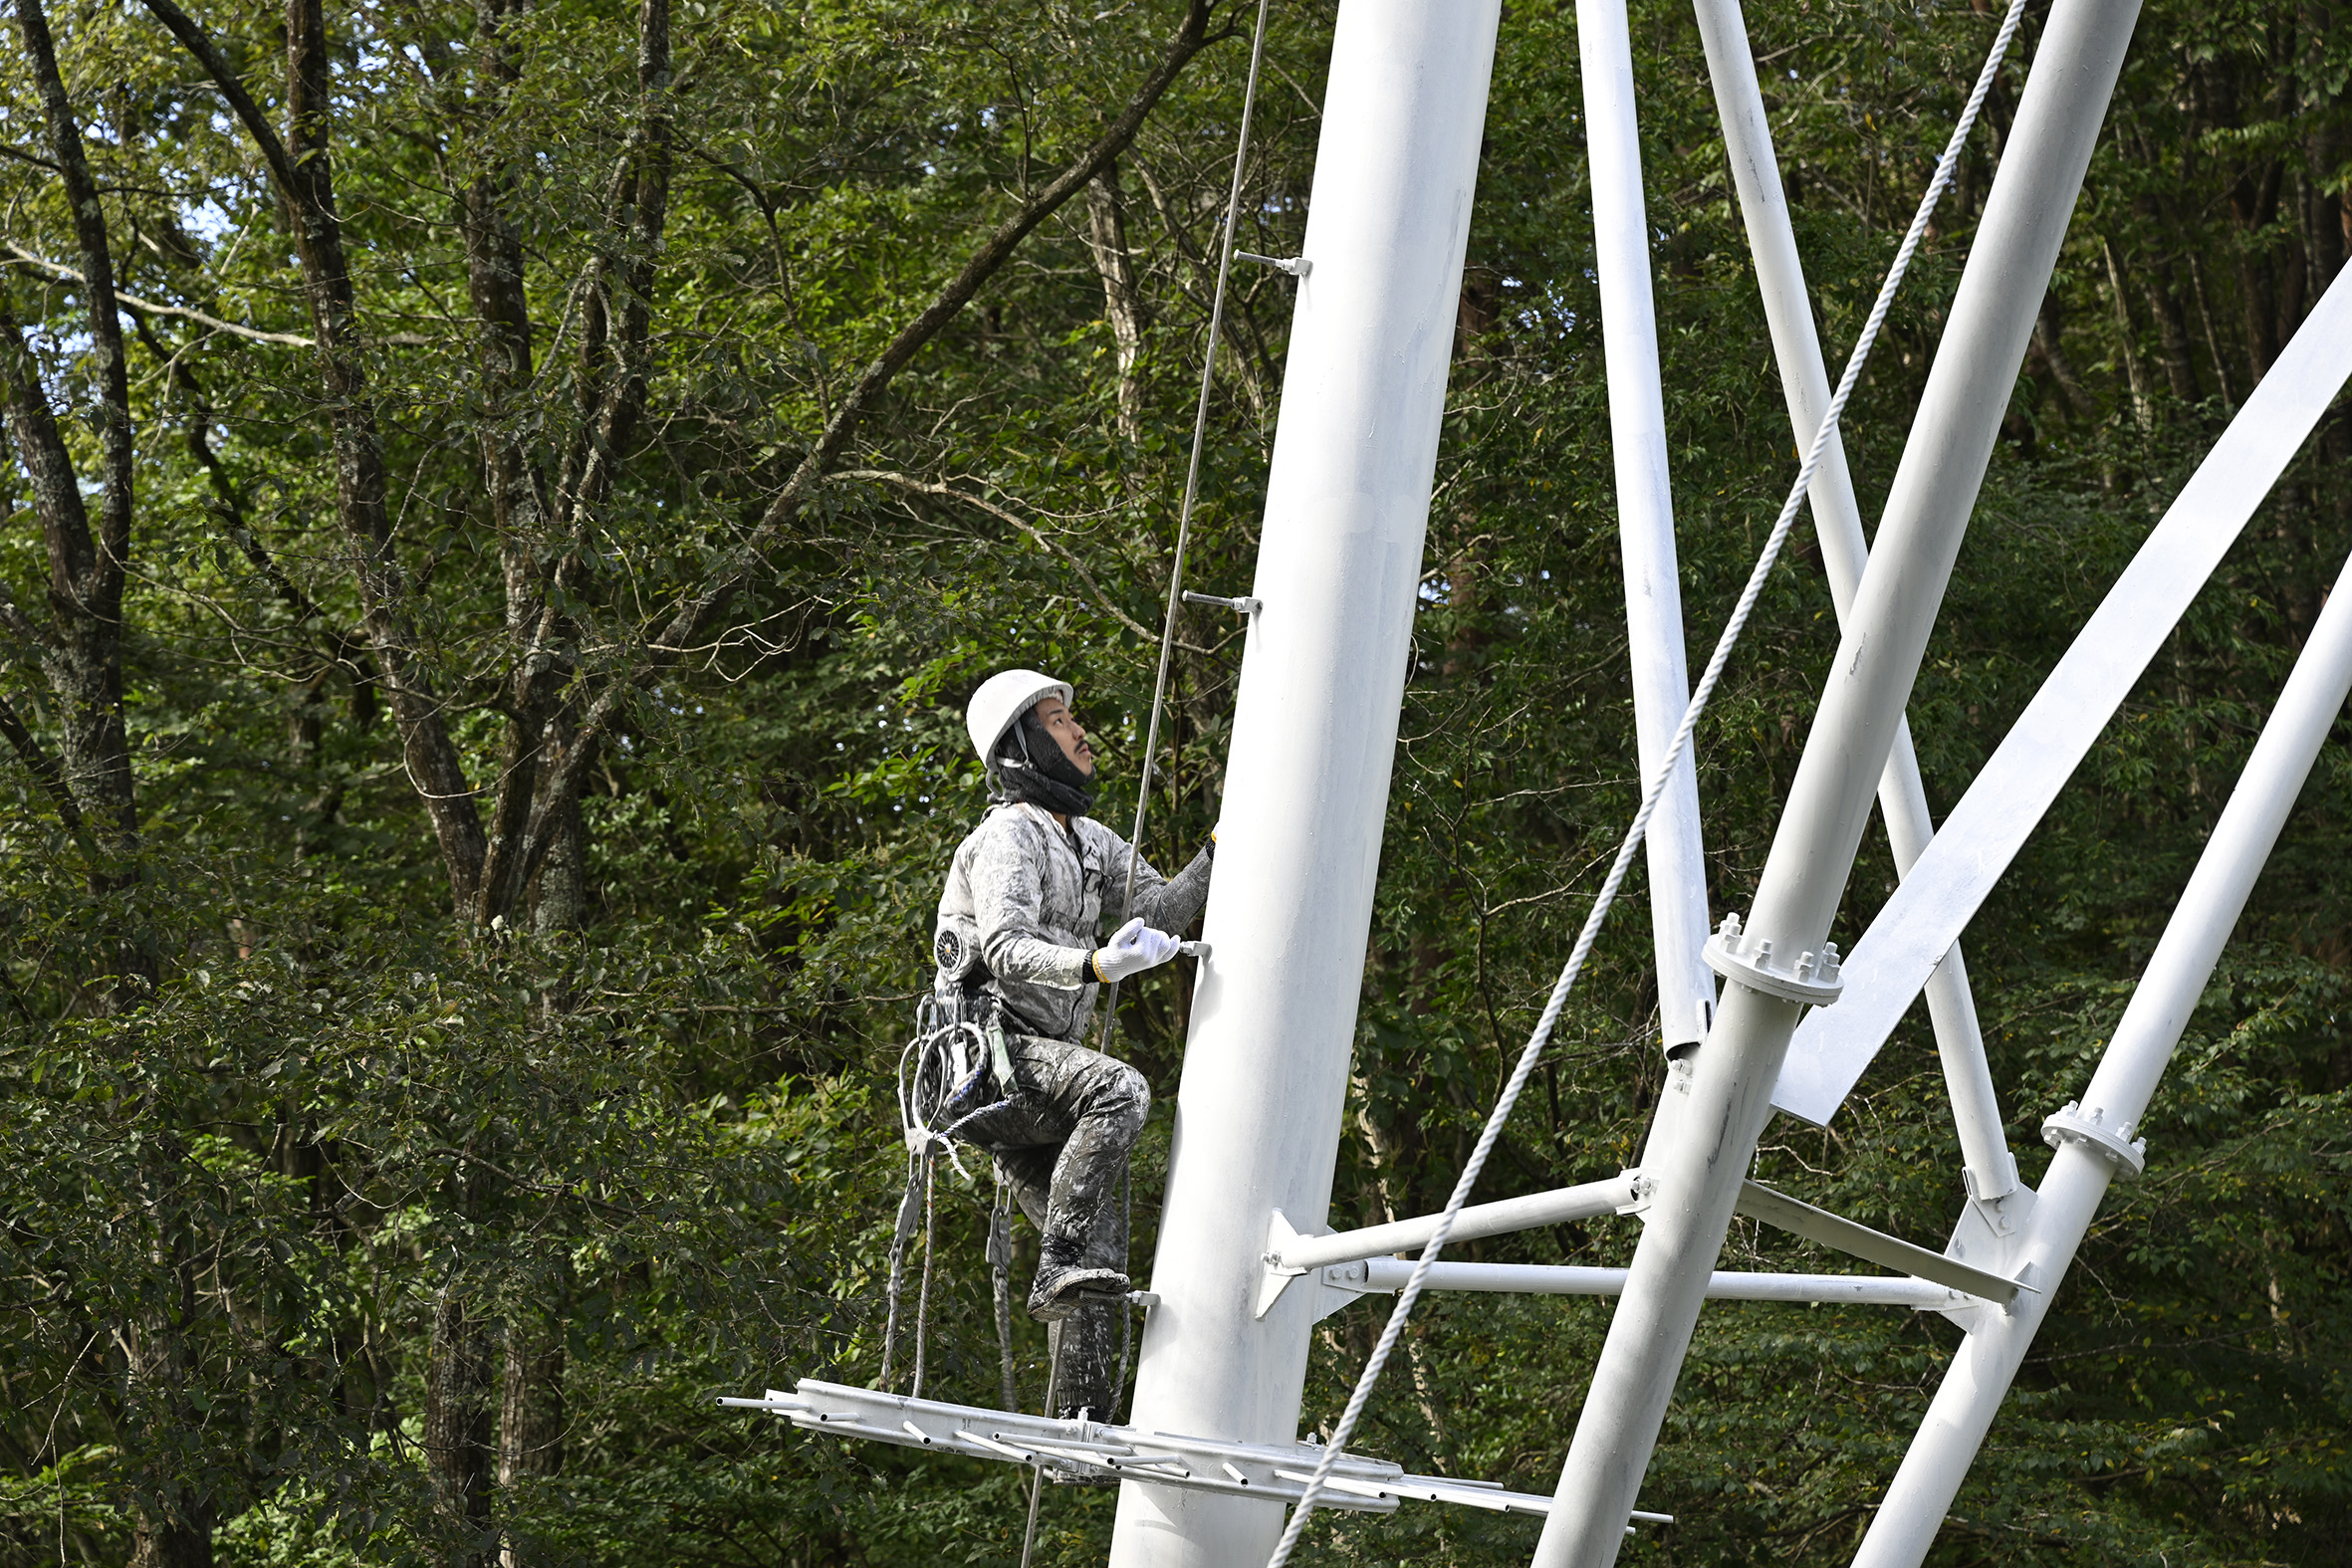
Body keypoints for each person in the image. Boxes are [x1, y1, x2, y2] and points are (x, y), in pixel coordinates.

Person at [932, 667, 1213, 1421]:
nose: (1081, 732)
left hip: (1034, 1076)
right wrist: (1091, 964)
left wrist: (1224, 843)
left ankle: (1076, 1442)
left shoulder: (1090, 840)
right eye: (1059, 720)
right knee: (1119, 1089)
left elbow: (1160, 906)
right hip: (987, 1064)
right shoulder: (1008, 836)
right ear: (1022, 744)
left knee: (1100, 1269)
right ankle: (1055, 1263)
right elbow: (1005, 944)